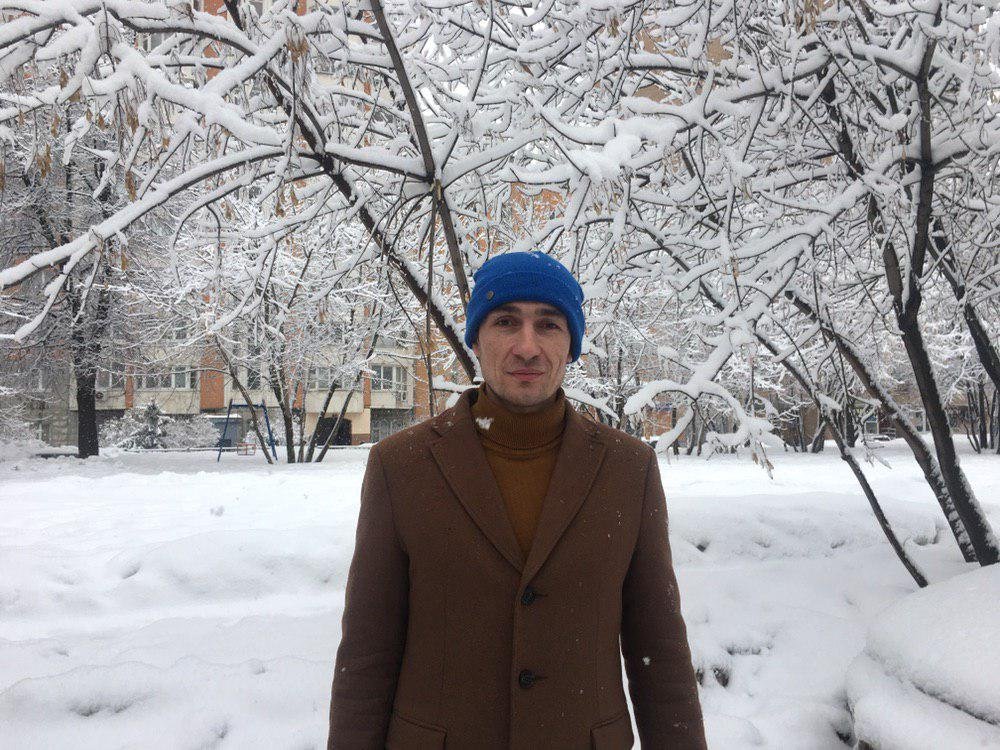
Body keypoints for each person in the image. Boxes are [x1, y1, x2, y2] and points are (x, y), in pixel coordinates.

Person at [327, 252, 706, 749]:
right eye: (506, 322)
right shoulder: (401, 466)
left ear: (571, 344)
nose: (527, 347)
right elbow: (368, 652)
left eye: (548, 324)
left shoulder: (628, 469)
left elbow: (659, 646)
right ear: (475, 339)